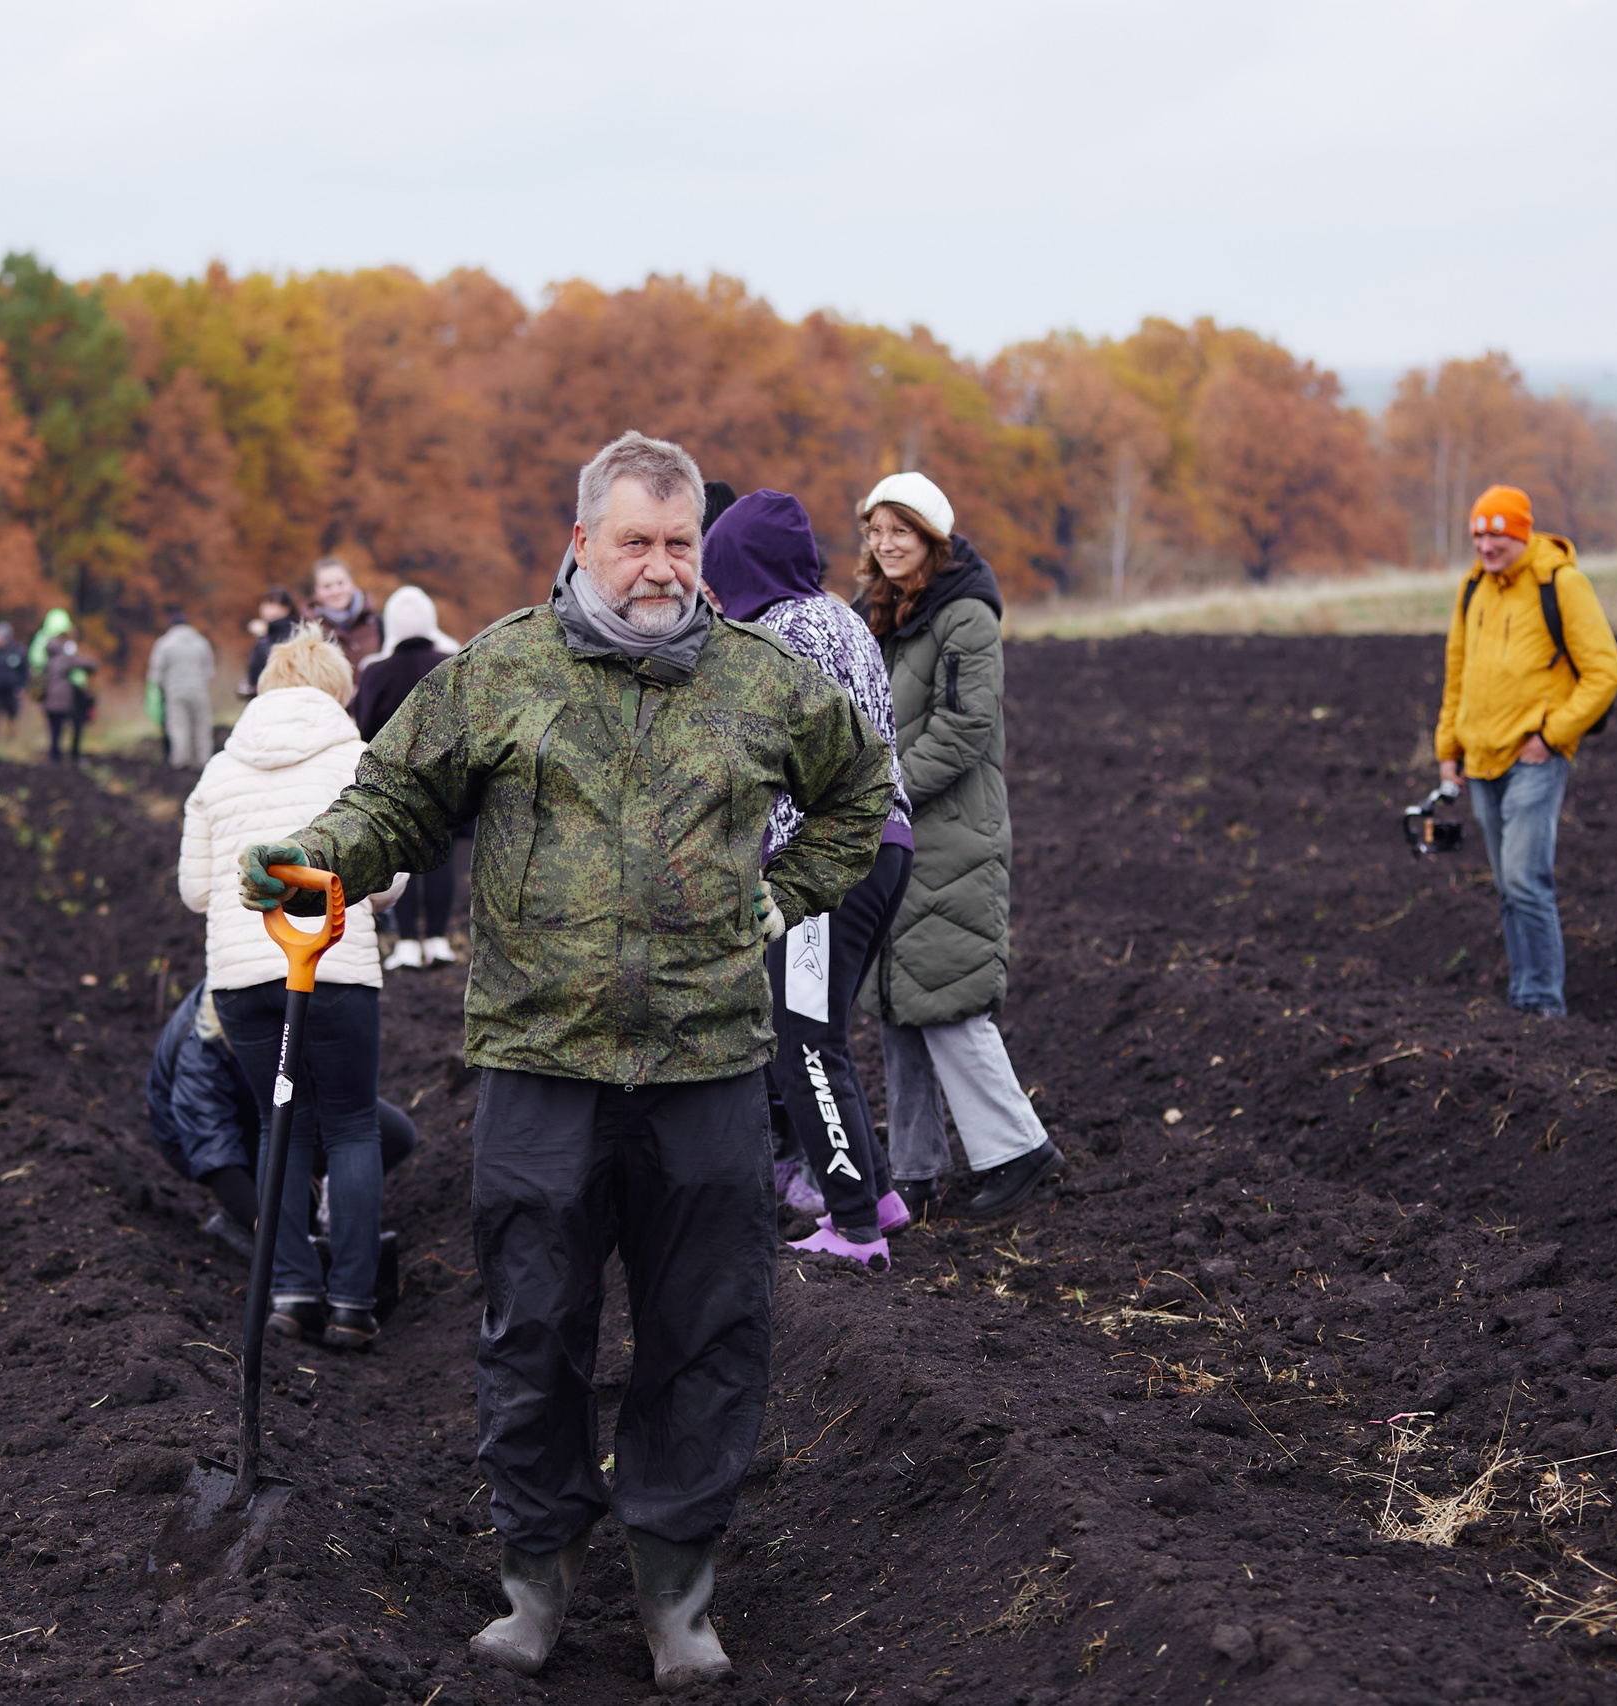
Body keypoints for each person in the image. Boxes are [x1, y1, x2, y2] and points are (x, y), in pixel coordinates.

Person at [255, 432, 893, 1686]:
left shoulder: (764, 682)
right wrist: (322, 856)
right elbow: (392, 801)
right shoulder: (501, 673)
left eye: (677, 543)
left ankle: (676, 1590)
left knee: (706, 1326)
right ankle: (533, 1580)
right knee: (531, 1325)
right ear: (584, 543)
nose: (658, 568)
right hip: (541, 1061)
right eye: (634, 542)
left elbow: (860, 795)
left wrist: (785, 896)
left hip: (708, 1063)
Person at [702, 489, 916, 1269]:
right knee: (821, 1032)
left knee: (803, 1045)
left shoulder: (779, 634)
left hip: (822, 864)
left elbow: (756, 759)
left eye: (718, 572)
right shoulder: (840, 618)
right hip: (887, 845)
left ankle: (854, 1225)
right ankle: (880, 1193)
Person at [181, 630, 407, 1351]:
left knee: (276, 1124)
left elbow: (193, 892)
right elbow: (390, 886)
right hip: (334, 969)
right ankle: (351, 1304)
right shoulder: (357, 760)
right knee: (351, 1128)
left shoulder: (219, 769)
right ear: (337, 690)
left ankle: (289, 1290)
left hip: (243, 978)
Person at [855, 473, 1065, 1221]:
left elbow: (968, 725)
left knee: (945, 1000)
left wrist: (886, 786)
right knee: (895, 1002)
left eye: (899, 532)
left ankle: (1020, 1150)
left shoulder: (966, 616)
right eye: (876, 531)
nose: (884, 545)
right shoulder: (876, 614)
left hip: (949, 833)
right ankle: (914, 1169)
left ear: (932, 539)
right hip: (893, 831)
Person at [1436, 484, 1617, 1018]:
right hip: (1479, 756)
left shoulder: (1561, 582)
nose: (1486, 547)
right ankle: (1523, 999)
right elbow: (1457, 674)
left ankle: (1542, 1003)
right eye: (1477, 536)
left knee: (1524, 879)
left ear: (1520, 532)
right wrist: (1448, 747)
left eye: (1496, 536)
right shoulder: (1473, 588)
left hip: (1534, 758)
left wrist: (1552, 736)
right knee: (1506, 885)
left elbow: (1605, 671)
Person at [146, 983, 421, 1257]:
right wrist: (263, 1226)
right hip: (189, 1134)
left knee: (393, 1135)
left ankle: (317, 1214)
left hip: (268, 1093)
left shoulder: (289, 988)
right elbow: (214, 1154)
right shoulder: (200, 1056)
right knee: (282, 1161)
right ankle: (247, 1226)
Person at [352, 585, 463, 970]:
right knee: (441, 859)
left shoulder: (376, 672)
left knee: (400, 860)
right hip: (445, 781)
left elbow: (363, 728)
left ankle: (405, 942)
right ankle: (437, 938)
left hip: (394, 784)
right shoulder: (453, 661)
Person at [147, 608, 218, 769]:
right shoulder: (201, 642)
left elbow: (155, 673)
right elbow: (209, 670)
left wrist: (161, 689)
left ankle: (180, 762)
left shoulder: (165, 643)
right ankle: (203, 761)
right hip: (199, 691)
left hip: (175, 691)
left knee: (179, 726)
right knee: (202, 727)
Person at [306, 557, 384, 667]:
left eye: (340, 583)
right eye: (327, 586)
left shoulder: (376, 622)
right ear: (316, 590)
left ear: (352, 583)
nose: (335, 591)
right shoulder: (309, 630)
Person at [36, 612, 91, 764]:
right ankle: (71, 755)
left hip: (48, 694)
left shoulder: (42, 645)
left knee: (55, 728)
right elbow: (79, 664)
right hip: (68, 693)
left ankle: (55, 756)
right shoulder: (65, 649)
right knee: (74, 724)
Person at [240, 587, 300, 696]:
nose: (264, 608)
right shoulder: (270, 631)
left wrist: (262, 637)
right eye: (264, 604)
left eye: (271, 604)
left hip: (280, 694)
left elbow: (274, 661)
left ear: (285, 609)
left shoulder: (291, 632)